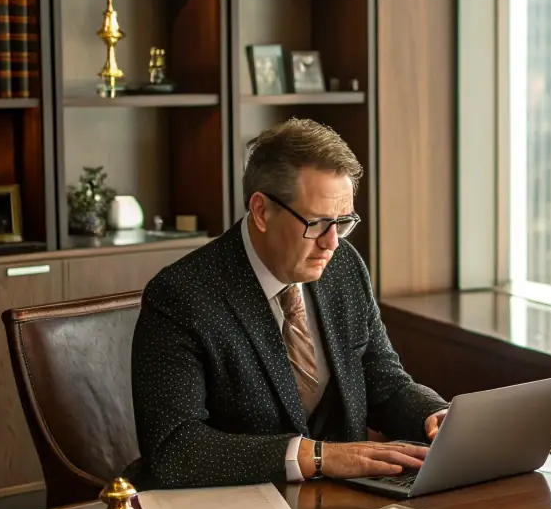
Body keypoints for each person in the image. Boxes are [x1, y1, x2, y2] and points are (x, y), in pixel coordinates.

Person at [127, 118, 448, 489]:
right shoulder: (181, 296)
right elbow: (174, 449)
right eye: (317, 223)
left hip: (342, 503)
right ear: (262, 212)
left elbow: (384, 383)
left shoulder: (343, 267)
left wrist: (435, 415)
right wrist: (315, 456)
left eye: (343, 222)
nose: (332, 243)